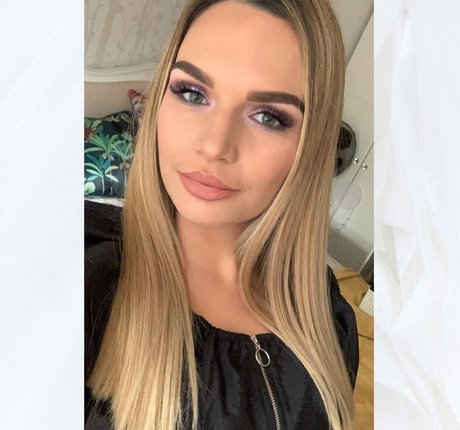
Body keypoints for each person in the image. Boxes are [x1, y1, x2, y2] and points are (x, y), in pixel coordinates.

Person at [85, 1, 359, 429]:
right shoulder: (84, 270)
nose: (215, 145)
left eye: (269, 117)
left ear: (310, 147)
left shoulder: (327, 312)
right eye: (192, 93)